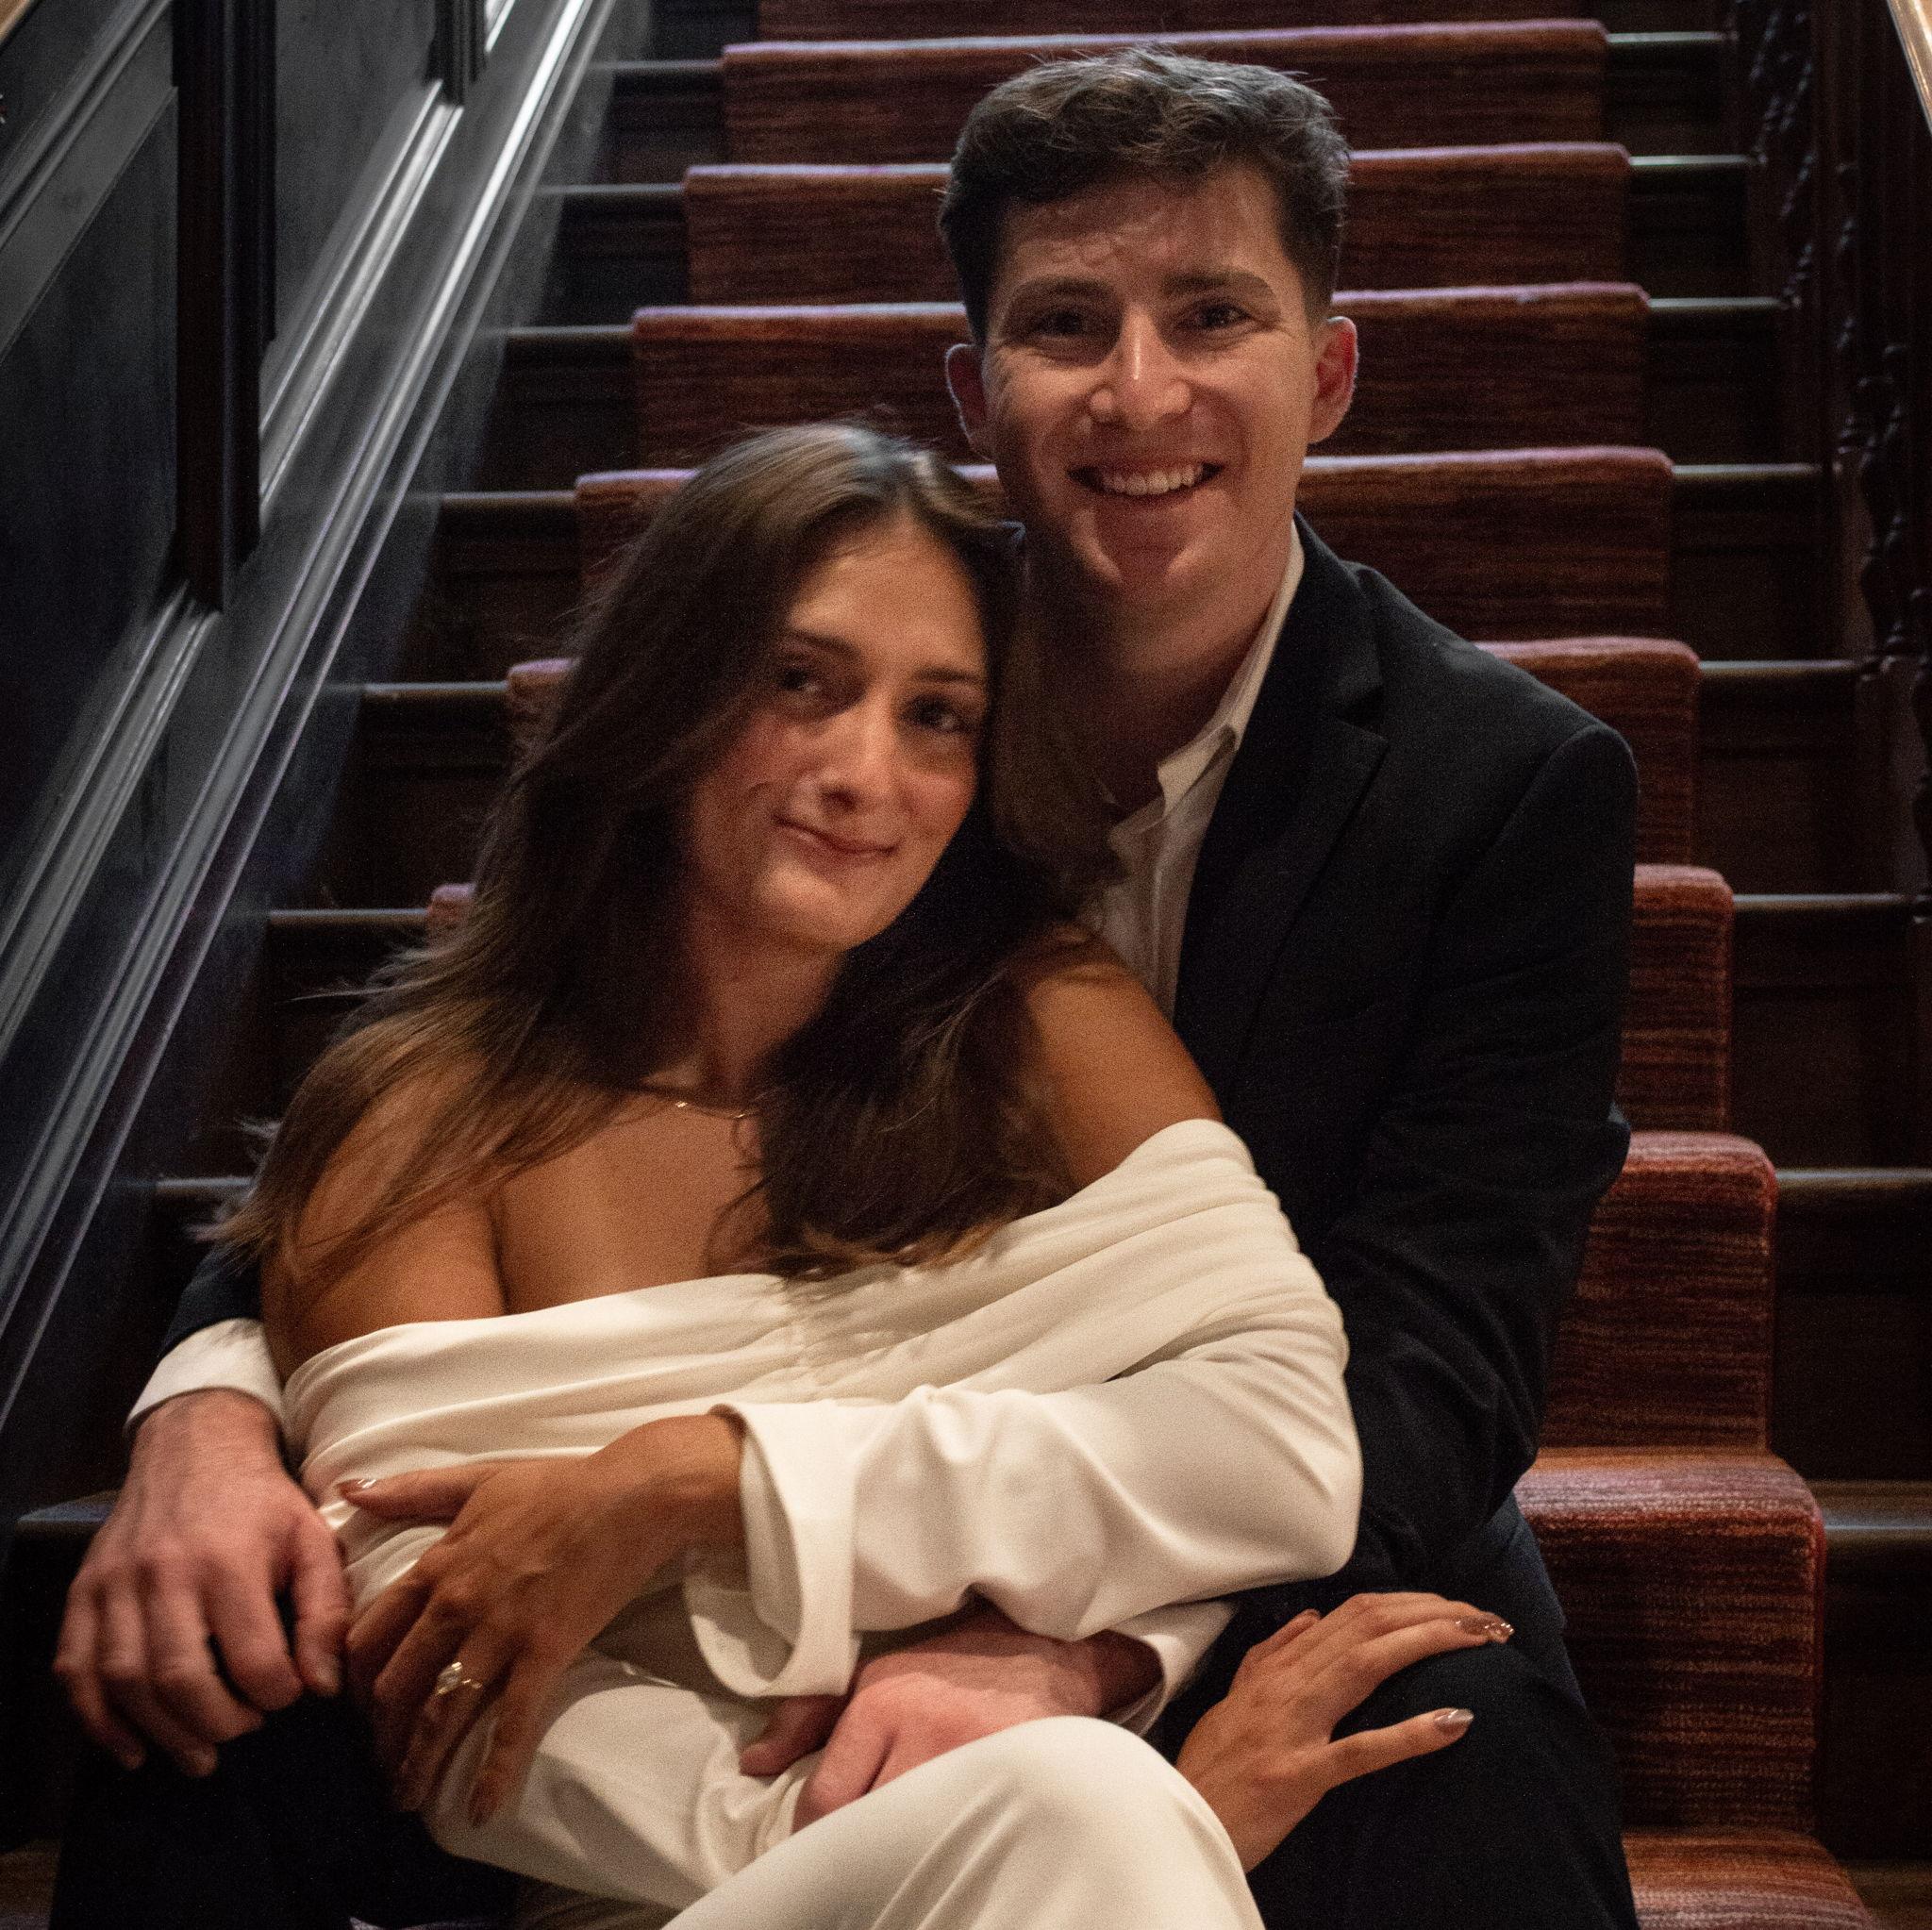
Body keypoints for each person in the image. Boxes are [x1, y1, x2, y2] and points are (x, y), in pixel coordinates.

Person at [56, 48, 1641, 1930]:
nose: (1141, 391)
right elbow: (474, 1053)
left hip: (1248, 1515)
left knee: (1454, 1764)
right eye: (1068, 323)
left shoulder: (1504, 786)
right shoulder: (878, 644)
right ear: (981, 390)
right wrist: (206, 1407)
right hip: (779, 1487)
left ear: (1330, 370)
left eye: (1214, 314)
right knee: (203, 1684)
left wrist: (1084, 1656)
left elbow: (1427, 1360)